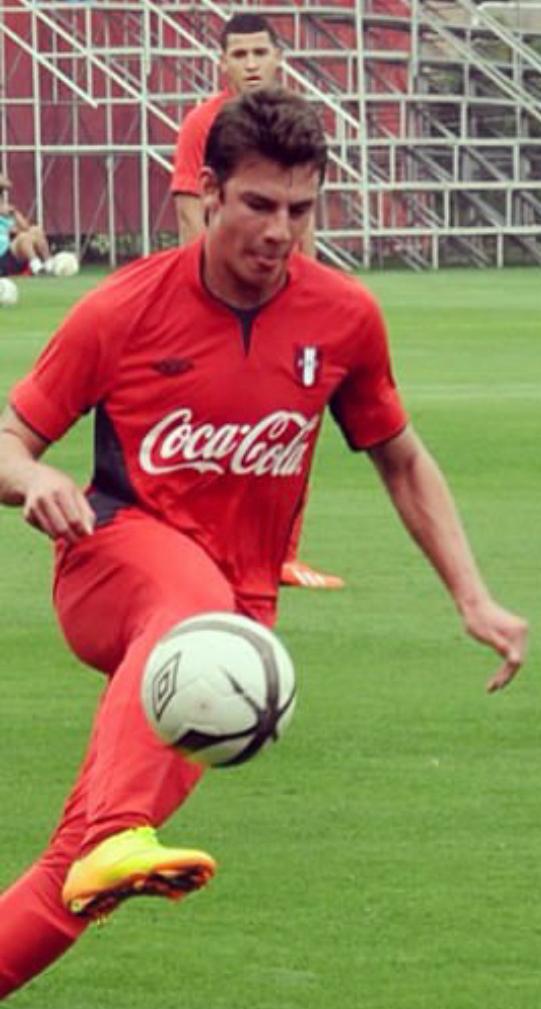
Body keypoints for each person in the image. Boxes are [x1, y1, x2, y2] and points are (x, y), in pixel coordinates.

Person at [0, 88, 528, 999]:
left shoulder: (345, 318)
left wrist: (472, 595)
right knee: (182, 625)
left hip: (238, 631)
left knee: (83, 872)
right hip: (112, 561)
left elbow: (400, 459)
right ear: (207, 194)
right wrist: (37, 477)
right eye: (257, 204)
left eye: (300, 209)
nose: (281, 230)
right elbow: (8, 437)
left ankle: (103, 842)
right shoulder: (121, 310)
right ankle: (122, 823)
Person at [171, 12, 338, 589]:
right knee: (213, 424)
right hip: (218, 300)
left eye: (258, 53)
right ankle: (198, 543)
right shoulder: (203, 124)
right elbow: (191, 210)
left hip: (284, 301)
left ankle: (282, 552)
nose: (249, 65)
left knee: (290, 426)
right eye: (237, 55)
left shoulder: (297, 123)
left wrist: (312, 293)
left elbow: (303, 217)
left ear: (278, 58)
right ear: (223, 63)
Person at [0, 172, 53, 276]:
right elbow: (6, 183)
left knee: (36, 230)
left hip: (12, 252)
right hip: (2, 257)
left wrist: (14, 213)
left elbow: (25, 228)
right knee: (23, 237)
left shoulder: (8, 210)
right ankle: (37, 268)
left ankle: (49, 265)